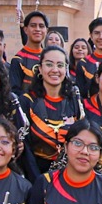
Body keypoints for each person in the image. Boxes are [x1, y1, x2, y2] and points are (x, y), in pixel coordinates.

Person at [21, 45, 83, 177]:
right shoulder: (27, 101)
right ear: (40, 68)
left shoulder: (74, 99)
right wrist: (37, 180)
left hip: (70, 174)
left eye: (60, 65)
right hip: (34, 173)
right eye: (49, 64)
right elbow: (25, 148)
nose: (55, 70)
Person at [10, 10, 50, 96]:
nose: (37, 29)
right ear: (25, 29)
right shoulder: (18, 60)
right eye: (33, 26)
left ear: (46, 30)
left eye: (41, 26)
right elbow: (15, 92)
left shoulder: (49, 58)